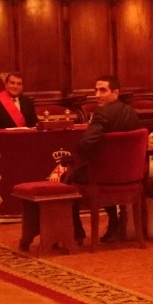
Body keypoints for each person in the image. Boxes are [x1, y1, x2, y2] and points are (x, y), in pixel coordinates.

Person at [61, 75, 140, 244]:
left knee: (66, 178)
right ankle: (115, 225)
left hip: (103, 177)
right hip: (130, 175)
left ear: (115, 93)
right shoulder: (132, 113)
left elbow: (86, 143)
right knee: (102, 169)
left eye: (103, 90)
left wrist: (75, 156)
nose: (97, 94)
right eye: (96, 90)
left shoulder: (102, 114)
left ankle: (77, 233)